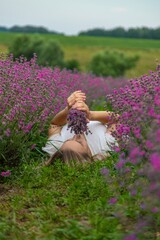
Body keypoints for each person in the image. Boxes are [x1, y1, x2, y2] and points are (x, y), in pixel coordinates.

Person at [42, 90, 119, 166]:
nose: (76, 135)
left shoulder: (57, 147)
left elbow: (54, 125)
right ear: (87, 156)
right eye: (79, 143)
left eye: (69, 139)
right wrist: (91, 115)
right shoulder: (105, 148)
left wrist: (68, 110)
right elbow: (116, 120)